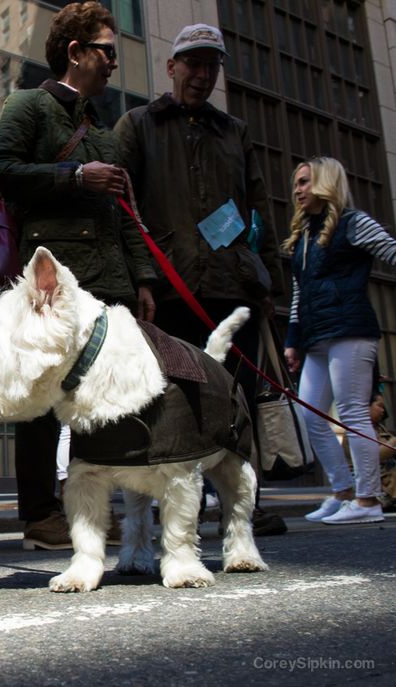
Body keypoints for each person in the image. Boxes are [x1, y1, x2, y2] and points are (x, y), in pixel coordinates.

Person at [0, 1, 156, 551]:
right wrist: (75, 175)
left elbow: (126, 214)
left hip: (109, 286)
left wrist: (144, 280)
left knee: (100, 405)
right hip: (52, 284)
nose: (112, 62)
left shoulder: (103, 131)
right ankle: (40, 514)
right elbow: (0, 171)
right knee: (40, 399)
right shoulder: (29, 105)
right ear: (76, 52)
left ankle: (87, 511)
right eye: (106, 51)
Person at [114, 23, 286, 536]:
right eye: (193, 62)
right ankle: (178, 506)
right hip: (168, 289)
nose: (202, 73)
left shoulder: (235, 131)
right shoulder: (137, 124)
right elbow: (120, 208)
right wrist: (140, 279)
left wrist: (270, 284)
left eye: (212, 64)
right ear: (171, 66)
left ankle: (241, 507)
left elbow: (259, 211)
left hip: (233, 288)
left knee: (238, 400)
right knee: (170, 401)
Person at [281, 157, 396, 525]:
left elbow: (391, 251)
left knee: (351, 412)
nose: (297, 190)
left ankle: (368, 501)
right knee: (309, 414)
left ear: (326, 183)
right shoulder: (304, 235)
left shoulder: (353, 222)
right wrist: (293, 340)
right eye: (296, 184)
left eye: (304, 182)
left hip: (351, 329)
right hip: (316, 336)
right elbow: (299, 293)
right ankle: (342, 492)